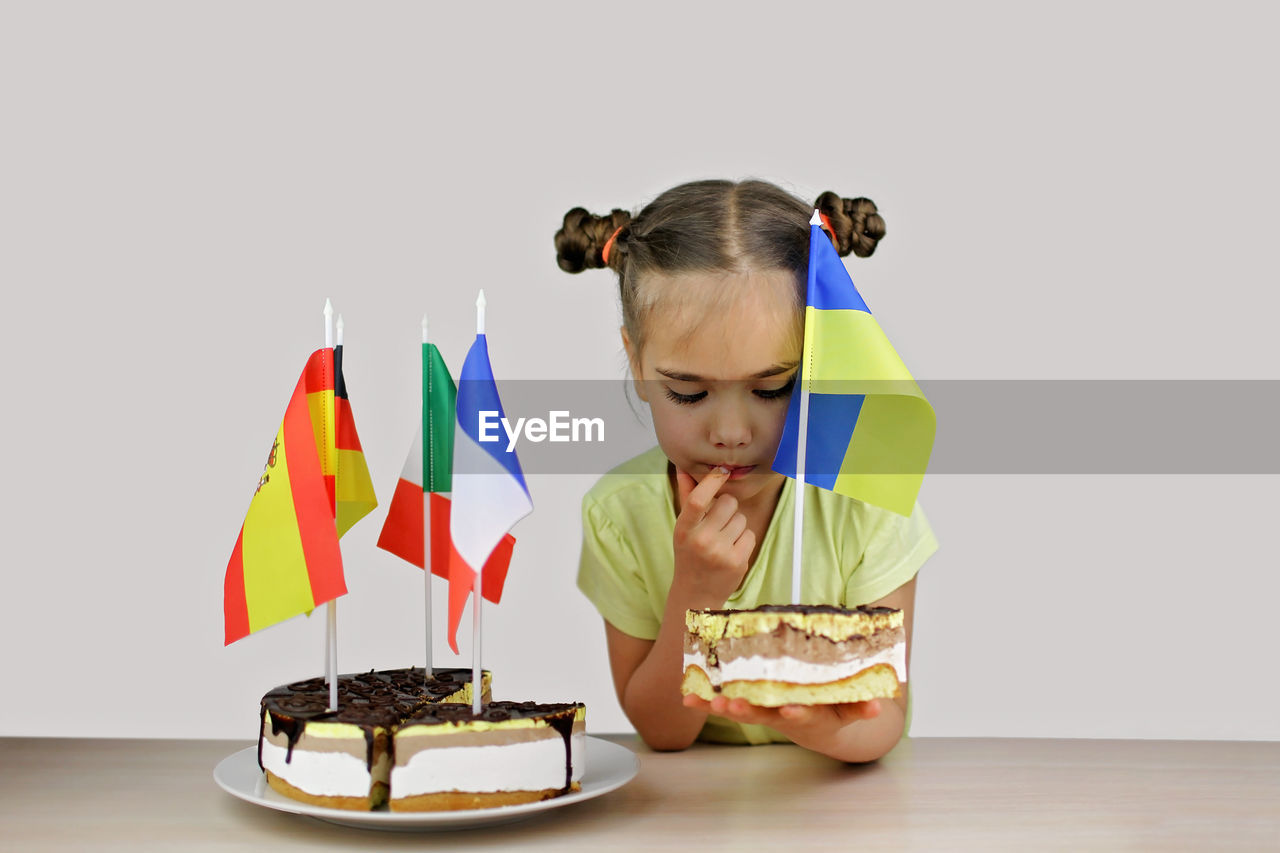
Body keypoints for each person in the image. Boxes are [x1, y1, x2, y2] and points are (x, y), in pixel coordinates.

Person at [555, 179, 938, 763]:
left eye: (771, 388)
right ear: (637, 362)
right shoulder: (619, 513)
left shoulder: (866, 498)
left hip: (840, 805)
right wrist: (694, 591)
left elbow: (883, 721)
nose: (731, 432)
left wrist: (812, 719)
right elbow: (661, 731)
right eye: (688, 391)